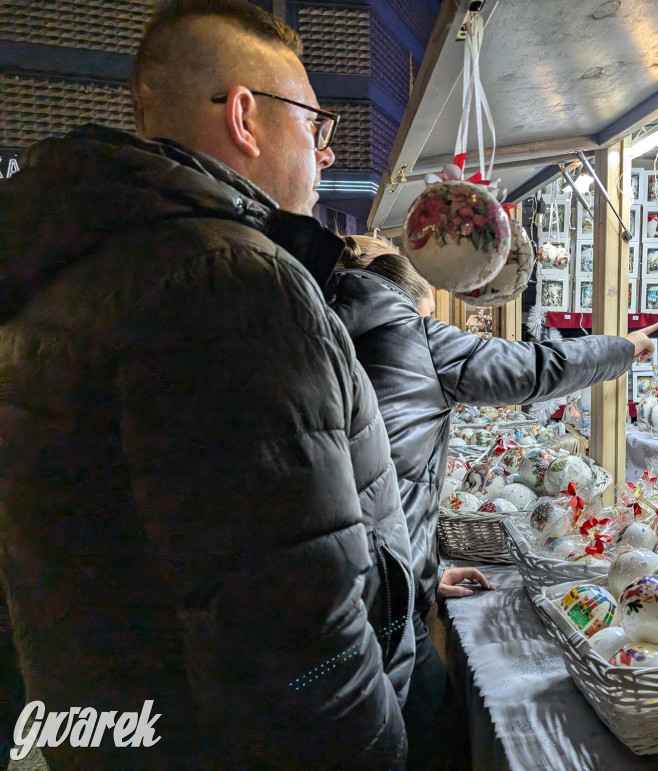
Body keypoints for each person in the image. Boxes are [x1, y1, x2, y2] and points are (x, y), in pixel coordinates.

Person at [0, 2, 414, 767]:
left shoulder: (65, 274)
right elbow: (297, 631)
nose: (323, 155)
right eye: (315, 126)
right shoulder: (233, 286)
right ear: (248, 118)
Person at [326, 235, 658, 768]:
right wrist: (624, 347)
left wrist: (427, 574)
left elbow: (360, 477)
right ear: (410, 298)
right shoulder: (412, 337)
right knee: (433, 744)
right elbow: (535, 367)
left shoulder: (323, 328)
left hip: (339, 585)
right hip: (380, 601)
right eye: (431, 312)